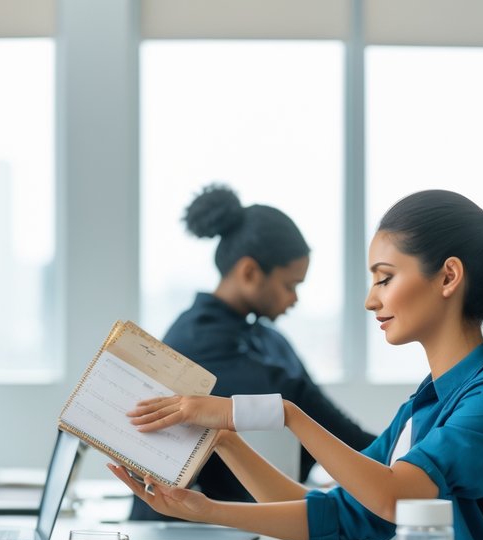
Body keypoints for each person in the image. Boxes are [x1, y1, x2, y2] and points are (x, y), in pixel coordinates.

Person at [116, 189, 483, 540]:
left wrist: (288, 414)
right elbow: (334, 515)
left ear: (449, 277)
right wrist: (213, 486)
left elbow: (398, 497)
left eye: (385, 278)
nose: (371, 299)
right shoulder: (427, 403)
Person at [132, 184, 375, 520]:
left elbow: (323, 416)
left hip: (250, 521)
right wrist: (390, 466)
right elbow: (300, 401)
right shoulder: (198, 339)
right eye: (289, 285)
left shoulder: (267, 337)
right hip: (188, 531)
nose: (294, 299)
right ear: (249, 272)